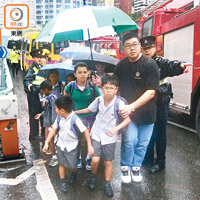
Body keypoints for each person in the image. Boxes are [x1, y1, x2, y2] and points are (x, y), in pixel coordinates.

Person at [92, 33, 160, 183]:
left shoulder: (150, 64)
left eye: (135, 44)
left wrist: (132, 106)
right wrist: (102, 83)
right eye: (128, 46)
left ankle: (135, 168)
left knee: (142, 144)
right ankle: (125, 167)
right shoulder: (121, 66)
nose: (132, 48)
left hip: (147, 113)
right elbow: (114, 83)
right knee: (130, 141)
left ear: (140, 46)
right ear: (123, 49)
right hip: (128, 115)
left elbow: (151, 91)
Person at [140, 36, 192, 173]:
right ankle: (148, 159)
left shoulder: (161, 62)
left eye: (149, 48)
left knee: (160, 134)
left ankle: (160, 162)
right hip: (147, 104)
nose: (147, 51)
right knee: (148, 132)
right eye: (144, 49)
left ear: (154, 48)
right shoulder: (140, 63)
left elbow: (171, 65)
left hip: (161, 103)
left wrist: (180, 66)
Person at [75, 75, 130, 197]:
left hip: (110, 136)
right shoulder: (99, 100)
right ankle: (93, 177)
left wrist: (116, 128)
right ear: (102, 88)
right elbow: (89, 110)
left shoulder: (119, 103)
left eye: (112, 88)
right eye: (106, 88)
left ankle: (107, 184)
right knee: (95, 159)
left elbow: (127, 120)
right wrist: (75, 112)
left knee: (108, 162)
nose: (109, 90)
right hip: (96, 133)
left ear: (116, 89)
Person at [43, 95, 94, 193]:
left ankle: (74, 173)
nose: (55, 110)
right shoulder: (59, 118)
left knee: (72, 166)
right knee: (61, 164)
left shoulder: (75, 120)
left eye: (56, 108)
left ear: (62, 110)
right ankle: (63, 182)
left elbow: (86, 131)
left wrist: (89, 145)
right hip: (60, 145)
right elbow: (53, 129)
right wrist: (46, 142)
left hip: (72, 147)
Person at [64, 62, 100, 170]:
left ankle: (89, 158)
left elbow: (100, 101)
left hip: (91, 118)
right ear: (75, 74)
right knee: (76, 138)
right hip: (75, 117)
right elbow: (65, 101)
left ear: (88, 73)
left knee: (88, 140)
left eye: (85, 72)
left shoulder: (93, 88)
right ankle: (78, 158)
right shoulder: (70, 87)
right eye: (79, 72)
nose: (82, 74)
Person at [35, 80, 58, 167]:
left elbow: (54, 111)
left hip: (51, 124)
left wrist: (53, 124)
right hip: (49, 123)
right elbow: (47, 110)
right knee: (51, 140)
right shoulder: (50, 98)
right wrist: (41, 114)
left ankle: (55, 156)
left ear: (46, 89)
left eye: (43, 90)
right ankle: (54, 156)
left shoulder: (52, 98)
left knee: (52, 140)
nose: (42, 92)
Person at [23, 49, 45, 140]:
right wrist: (28, 85)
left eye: (40, 57)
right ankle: (33, 134)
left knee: (42, 113)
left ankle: (43, 133)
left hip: (42, 94)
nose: (39, 59)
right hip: (34, 95)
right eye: (37, 57)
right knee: (34, 114)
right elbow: (27, 80)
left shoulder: (41, 67)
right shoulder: (32, 69)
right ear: (33, 58)